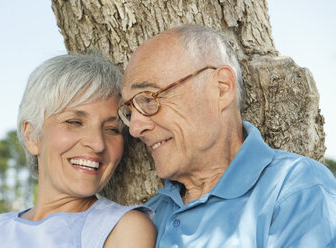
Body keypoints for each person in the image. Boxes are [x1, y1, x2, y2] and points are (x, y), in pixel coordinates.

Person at [118, 24, 336, 247]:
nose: (135, 128)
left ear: (221, 88)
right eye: (129, 111)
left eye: (148, 99)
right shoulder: (148, 217)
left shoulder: (295, 189)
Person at [0, 52, 156, 248]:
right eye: (74, 122)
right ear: (31, 136)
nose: (97, 144)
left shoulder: (122, 229)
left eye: (112, 129)